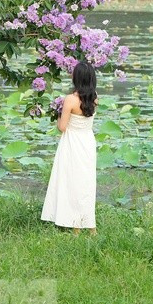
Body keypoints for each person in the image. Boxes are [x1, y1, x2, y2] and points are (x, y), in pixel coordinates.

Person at [41, 60, 98, 235]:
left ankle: (75, 225)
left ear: (77, 78)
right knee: (85, 183)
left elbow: (62, 127)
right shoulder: (94, 97)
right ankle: (87, 225)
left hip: (72, 143)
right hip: (87, 141)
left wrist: (58, 112)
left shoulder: (70, 100)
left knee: (71, 181)